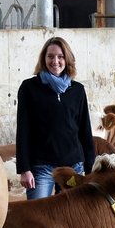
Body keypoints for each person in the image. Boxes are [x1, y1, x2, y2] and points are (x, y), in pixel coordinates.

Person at [16, 36, 96, 200]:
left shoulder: (77, 90)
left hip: (73, 167)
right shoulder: (29, 88)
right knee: (39, 217)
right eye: (50, 56)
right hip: (41, 167)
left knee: (73, 217)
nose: (55, 61)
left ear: (67, 59)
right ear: (43, 59)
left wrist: (91, 170)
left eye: (60, 56)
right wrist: (24, 169)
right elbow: (23, 130)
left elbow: (84, 131)